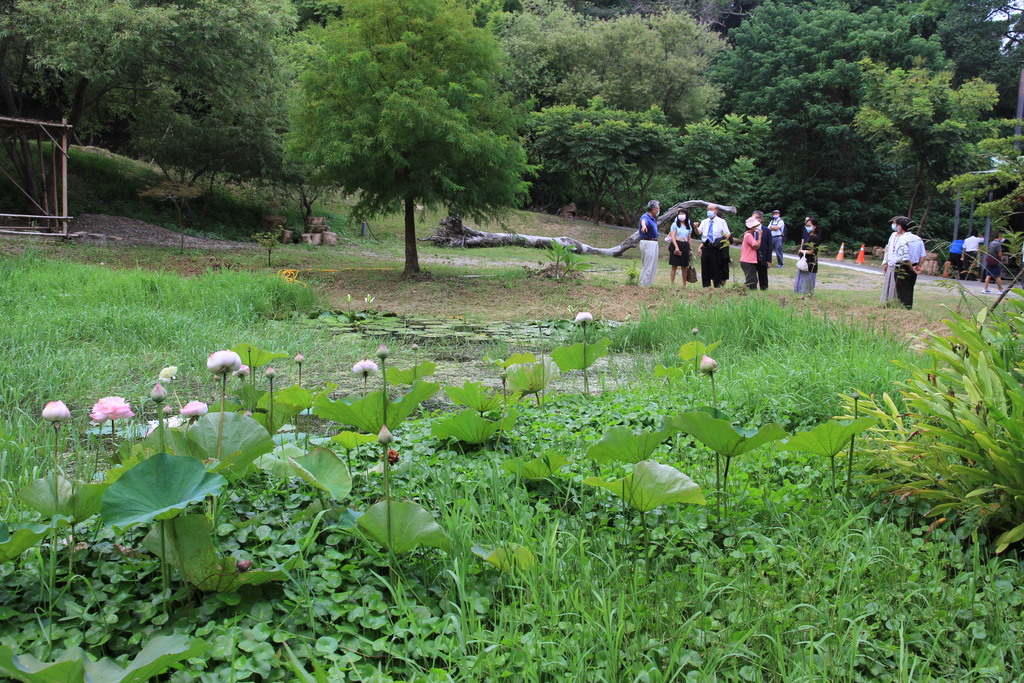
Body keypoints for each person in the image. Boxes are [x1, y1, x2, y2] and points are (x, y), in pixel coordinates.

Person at [888, 216, 925, 309]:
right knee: (909, 288)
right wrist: (918, 266)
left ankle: (904, 308)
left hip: (903, 266)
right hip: (915, 264)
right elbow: (923, 254)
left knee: (902, 289)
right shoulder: (917, 238)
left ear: (900, 227)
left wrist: (911, 267)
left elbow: (905, 256)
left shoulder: (902, 239)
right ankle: (909, 307)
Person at [697, 204, 731, 288]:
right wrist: (695, 227)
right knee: (705, 267)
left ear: (716, 210)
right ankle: (706, 286)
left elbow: (727, 234)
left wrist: (721, 240)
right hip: (706, 245)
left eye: (711, 210)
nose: (709, 211)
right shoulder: (704, 221)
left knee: (716, 267)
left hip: (716, 246)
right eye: (708, 210)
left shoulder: (721, 222)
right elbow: (699, 232)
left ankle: (717, 286)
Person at [794, 216, 822, 295]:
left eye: (809, 225)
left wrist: (801, 251)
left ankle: (804, 294)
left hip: (809, 263)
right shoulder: (811, 236)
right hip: (808, 262)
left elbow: (811, 251)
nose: (808, 227)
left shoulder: (813, 237)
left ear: (815, 226)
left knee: (806, 280)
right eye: (807, 226)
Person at [668, 209, 693, 286]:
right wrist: (676, 247)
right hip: (676, 243)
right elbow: (673, 236)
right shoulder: (674, 225)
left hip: (685, 245)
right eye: (680, 214)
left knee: (684, 266)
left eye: (683, 214)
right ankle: (672, 283)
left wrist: (690, 249)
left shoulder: (688, 226)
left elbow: (689, 238)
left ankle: (684, 284)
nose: (681, 215)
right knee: (674, 265)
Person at [637, 200, 660, 286]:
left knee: (653, 265)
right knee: (648, 264)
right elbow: (643, 221)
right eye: (658, 208)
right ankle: (643, 284)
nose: (659, 210)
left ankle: (649, 284)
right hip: (648, 242)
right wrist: (643, 226)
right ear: (654, 209)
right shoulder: (645, 217)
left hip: (654, 242)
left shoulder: (653, 218)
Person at [880, 219, 900, 304]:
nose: (893, 225)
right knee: (888, 284)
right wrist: (885, 262)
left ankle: (894, 302)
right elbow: (888, 248)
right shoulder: (893, 235)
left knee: (895, 285)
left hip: (898, 264)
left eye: (895, 223)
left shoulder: (905, 237)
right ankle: (885, 301)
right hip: (890, 263)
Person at [740, 216, 762, 289]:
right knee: (752, 281)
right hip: (748, 260)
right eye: (755, 226)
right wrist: (760, 236)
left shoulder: (747, 234)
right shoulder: (748, 235)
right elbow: (756, 246)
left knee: (751, 279)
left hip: (748, 260)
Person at [754, 211, 772, 290]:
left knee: (763, 275)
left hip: (762, 256)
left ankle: (764, 290)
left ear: (760, 219)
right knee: (752, 276)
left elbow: (769, 246)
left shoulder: (767, 230)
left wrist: (768, 259)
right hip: (752, 256)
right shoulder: (750, 230)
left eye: (756, 218)